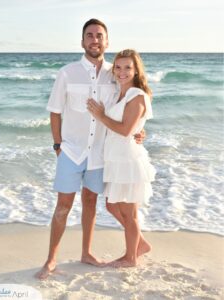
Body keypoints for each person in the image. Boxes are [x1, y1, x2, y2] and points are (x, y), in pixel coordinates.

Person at [35, 19, 146, 280]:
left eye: (99, 35)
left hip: (100, 153)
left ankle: (86, 253)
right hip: (71, 151)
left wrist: (139, 130)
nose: (94, 40)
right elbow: (55, 111)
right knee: (63, 206)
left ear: (106, 41)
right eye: (89, 35)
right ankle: (51, 259)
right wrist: (57, 145)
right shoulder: (67, 72)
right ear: (82, 41)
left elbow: (127, 107)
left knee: (90, 203)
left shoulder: (115, 74)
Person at [87, 49, 156, 267]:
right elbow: (132, 128)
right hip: (114, 158)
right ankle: (141, 243)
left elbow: (126, 130)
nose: (122, 71)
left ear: (136, 71)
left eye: (128, 67)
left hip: (127, 160)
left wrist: (100, 116)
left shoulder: (137, 96)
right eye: (118, 67)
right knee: (112, 206)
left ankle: (131, 258)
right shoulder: (120, 92)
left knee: (129, 212)